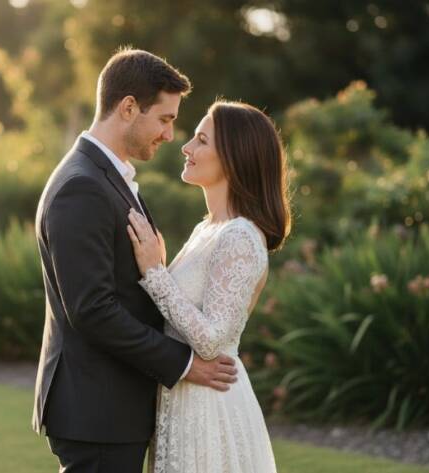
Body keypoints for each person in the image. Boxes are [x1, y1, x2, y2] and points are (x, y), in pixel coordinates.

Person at [32, 48, 239, 473]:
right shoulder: (82, 187)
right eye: (164, 119)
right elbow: (92, 309)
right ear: (128, 107)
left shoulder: (109, 177)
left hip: (112, 407)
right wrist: (184, 365)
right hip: (98, 411)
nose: (169, 135)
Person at [127, 100, 291, 473]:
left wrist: (155, 273)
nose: (186, 147)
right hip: (183, 398)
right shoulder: (207, 229)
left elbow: (212, 341)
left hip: (209, 406)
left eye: (201, 140)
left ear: (234, 158)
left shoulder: (240, 237)